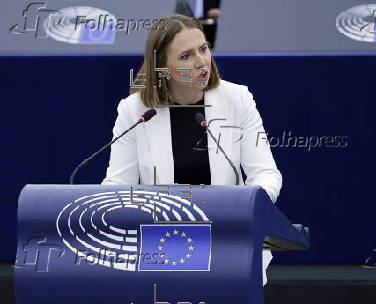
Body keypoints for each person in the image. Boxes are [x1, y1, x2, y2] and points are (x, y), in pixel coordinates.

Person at [102, 14, 282, 286]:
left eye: (204, 48)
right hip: (161, 247)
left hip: (228, 240)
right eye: (186, 56)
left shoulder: (237, 99)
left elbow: (266, 174)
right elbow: (117, 183)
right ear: (162, 67)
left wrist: (248, 208)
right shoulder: (135, 110)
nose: (201, 62)